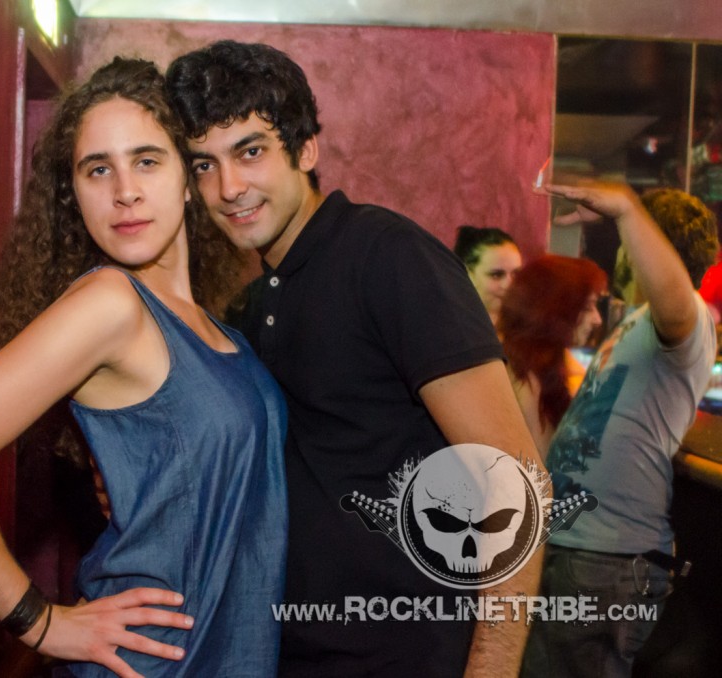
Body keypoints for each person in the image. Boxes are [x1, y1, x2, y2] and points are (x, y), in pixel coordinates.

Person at [0, 58, 288, 678]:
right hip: (151, 663)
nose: (124, 190)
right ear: (74, 195)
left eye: (147, 161)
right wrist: (42, 623)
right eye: (98, 169)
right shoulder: (110, 304)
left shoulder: (210, 324)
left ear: (187, 178)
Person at [166, 40, 544, 677]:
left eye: (251, 152)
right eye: (205, 164)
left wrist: (493, 669)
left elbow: (514, 479)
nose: (229, 188)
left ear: (306, 150)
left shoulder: (389, 258)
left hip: (408, 656)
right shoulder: (256, 299)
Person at [521, 184, 719, 678]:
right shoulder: (639, 323)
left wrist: (628, 210)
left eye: (630, 239)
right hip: (582, 548)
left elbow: (677, 302)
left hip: (605, 558)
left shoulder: (688, 318)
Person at [498, 255, 607, 458]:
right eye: (587, 307)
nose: (597, 319)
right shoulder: (522, 377)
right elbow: (540, 465)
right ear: (554, 310)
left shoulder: (540, 366)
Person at [454, 225, 524, 326]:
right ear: (467, 274)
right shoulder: (448, 327)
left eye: (516, 274)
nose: (509, 285)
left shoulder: (527, 327)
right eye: (496, 275)